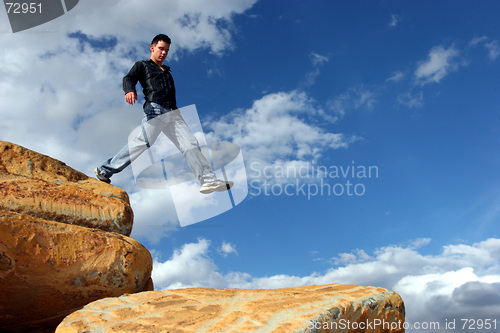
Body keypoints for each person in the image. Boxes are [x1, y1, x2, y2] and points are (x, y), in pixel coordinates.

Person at [95, 34, 232, 194]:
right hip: (155, 109)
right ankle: (105, 169)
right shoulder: (143, 65)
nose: (164, 53)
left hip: (174, 113)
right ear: (152, 48)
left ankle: (208, 181)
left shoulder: (167, 72)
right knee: (144, 141)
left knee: (190, 144)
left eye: (167, 50)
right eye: (161, 49)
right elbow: (129, 78)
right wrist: (130, 90)